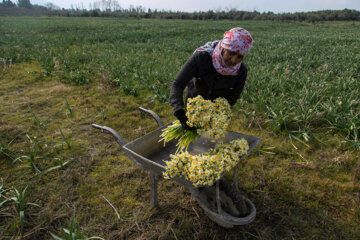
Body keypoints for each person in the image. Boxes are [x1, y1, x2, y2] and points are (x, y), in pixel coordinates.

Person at [170, 27, 254, 130]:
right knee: (188, 134)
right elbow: (178, 84)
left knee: (207, 141)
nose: (233, 60)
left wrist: (217, 115)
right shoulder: (201, 57)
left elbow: (233, 97)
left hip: (215, 115)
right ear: (223, 47)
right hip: (193, 108)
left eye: (239, 56)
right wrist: (178, 109)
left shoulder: (240, 71)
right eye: (231, 52)